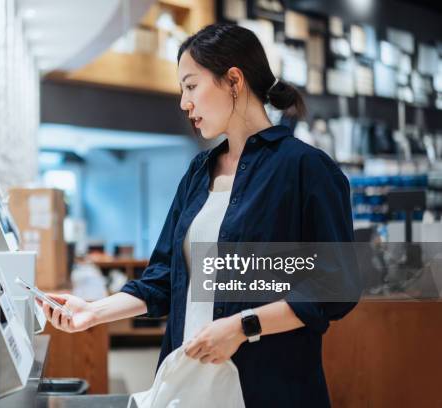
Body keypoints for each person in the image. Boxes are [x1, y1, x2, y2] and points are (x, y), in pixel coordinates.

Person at [39, 23, 356, 407]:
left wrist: (243, 327)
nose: (183, 103)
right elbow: (162, 280)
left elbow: (334, 289)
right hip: (188, 385)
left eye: (191, 86)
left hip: (267, 389)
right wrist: (92, 311)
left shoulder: (307, 169)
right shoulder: (198, 172)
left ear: (233, 80)